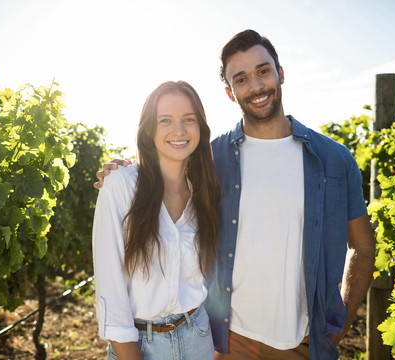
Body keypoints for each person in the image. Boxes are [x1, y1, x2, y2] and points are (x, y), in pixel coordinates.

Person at [95, 30, 375, 360]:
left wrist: (339, 323)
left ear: (280, 73)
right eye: (241, 79)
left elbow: (362, 243)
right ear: (230, 92)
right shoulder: (213, 160)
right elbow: (165, 159)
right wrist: (122, 170)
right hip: (227, 342)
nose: (255, 86)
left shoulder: (333, 159)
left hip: (302, 342)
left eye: (263, 71)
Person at [92, 80, 220, 360]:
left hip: (198, 336)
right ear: (149, 130)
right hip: (140, 345)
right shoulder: (120, 185)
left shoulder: (205, 190)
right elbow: (110, 292)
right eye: (166, 120)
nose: (179, 130)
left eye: (189, 119)